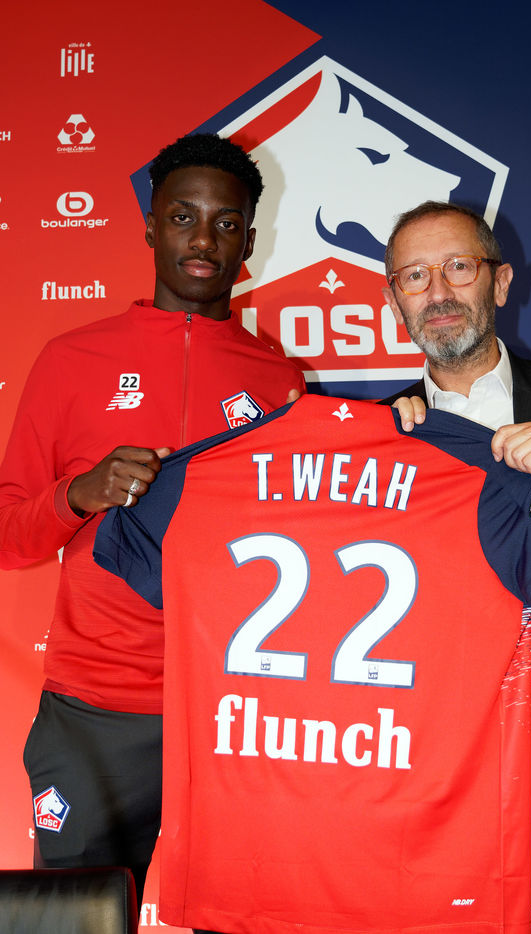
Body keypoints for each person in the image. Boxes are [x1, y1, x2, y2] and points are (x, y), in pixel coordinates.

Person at [0, 132, 305, 907]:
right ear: (148, 226)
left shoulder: (281, 381)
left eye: (226, 223)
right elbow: (7, 536)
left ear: (249, 241)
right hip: (96, 711)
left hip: (236, 709)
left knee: (245, 918)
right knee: (75, 917)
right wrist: (79, 493)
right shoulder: (71, 359)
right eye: (182, 218)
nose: (203, 241)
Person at [382, 200, 531, 933]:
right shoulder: (378, 438)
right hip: (434, 747)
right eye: (414, 277)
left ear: (501, 280)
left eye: (458, 267)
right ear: (393, 301)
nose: (437, 292)